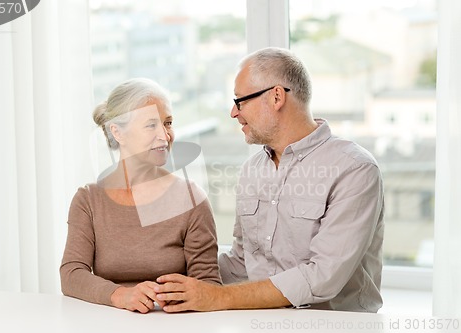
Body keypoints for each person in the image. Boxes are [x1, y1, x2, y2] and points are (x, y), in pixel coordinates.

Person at [155, 47, 385, 313]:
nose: (233, 112)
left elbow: (323, 276)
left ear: (276, 97)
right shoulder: (252, 169)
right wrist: (167, 274)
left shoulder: (354, 169)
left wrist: (217, 298)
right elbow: (244, 263)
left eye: (240, 101)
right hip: (259, 322)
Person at [60, 78, 221, 313]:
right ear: (118, 132)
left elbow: (208, 286)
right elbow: (72, 274)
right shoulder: (88, 200)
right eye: (151, 125)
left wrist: (178, 297)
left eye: (168, 123)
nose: (165, 136)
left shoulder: (191, 198)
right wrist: (120, 295)